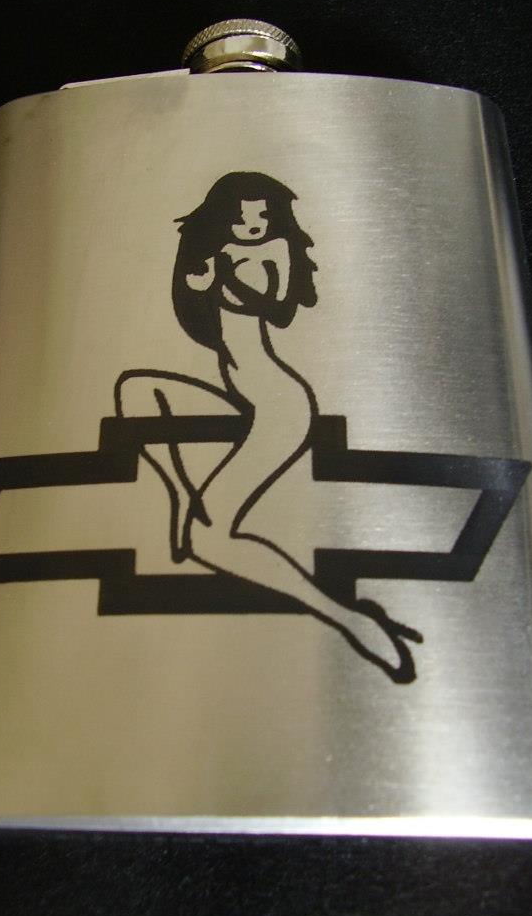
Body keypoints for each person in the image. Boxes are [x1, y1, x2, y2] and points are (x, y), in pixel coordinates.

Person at [118, 172, 421, 683]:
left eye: (261, 215)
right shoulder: (218, 255)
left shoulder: (274, 252)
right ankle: (182, 496)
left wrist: (226, 273)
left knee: (208, 542)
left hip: (279, 405)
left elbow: (275, 309)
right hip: (243, 399)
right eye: (242, 216)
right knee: (136, 392)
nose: (253, 224)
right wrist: (206, 271)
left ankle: (348, 619)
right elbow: (194, 296)